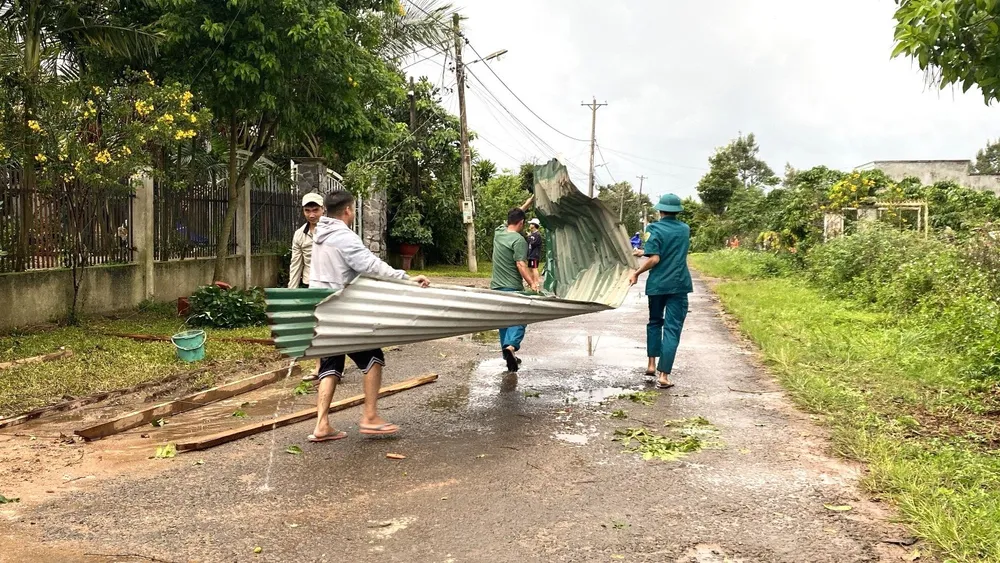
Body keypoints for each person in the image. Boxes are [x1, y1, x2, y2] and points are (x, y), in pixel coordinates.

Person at [307, 190, 431, 442]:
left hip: (323, 312)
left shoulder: (319, 235)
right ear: (348, 210)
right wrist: (405, 279)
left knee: (330, 366)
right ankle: (370, 416)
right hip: (343, 311)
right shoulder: (343, 236)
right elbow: (371, 266)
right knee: (373, 358)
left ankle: (321, 425)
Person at [628, 193, 693, 390]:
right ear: (677, 211)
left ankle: (651, 365)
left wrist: (636, 272)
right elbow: (667, 251)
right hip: (679, 284)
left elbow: (655, 258)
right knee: (672, 328)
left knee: (655, 322)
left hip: (657, 285)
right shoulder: (685, 229)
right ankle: (664, 376)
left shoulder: (653, 228)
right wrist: (644, 252)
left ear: (660, 210)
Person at [491, 196, 539, 372]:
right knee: (520, 317)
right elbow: (520, 264)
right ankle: (511, 347)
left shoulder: (499, 232)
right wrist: (532, 283)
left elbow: (515, 216)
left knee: (504, 320)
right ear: (522, 223)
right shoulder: (518, 240)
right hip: (512, 287)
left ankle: (507, 355)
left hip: (496, 288)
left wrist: (526, 204)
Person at [288, 193, 325, 381]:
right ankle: (319, 367)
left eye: (315, 210)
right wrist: (291, 293)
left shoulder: (333, 231)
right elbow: (296, 264)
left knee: (329, 327)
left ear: (323, 210)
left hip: (330, 284)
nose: (312, 214)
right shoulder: (299, 235)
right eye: (307, 210)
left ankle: (334, 367)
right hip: (310, 284)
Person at [526, 217, 544, 287]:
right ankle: (531, 282)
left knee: (534, 268)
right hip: (530, 255)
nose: (530, 225)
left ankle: (536, 282)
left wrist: (529, 237)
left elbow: (533, 243)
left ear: (534, 225)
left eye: (531, 224)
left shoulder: (537, 235)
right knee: (530, 268)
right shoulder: (532, 235)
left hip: (534, 255)